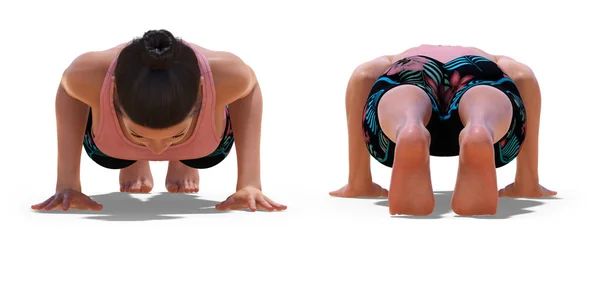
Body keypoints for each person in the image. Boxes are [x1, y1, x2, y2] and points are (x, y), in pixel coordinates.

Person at [31, 29, 287, 212]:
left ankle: (180, 154)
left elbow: (249, 89)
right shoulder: (87, 73)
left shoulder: (227, 73)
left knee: (203, 157)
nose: (157, 150)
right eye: (139, 136)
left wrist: (250, 183)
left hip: (203, 143)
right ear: (114, 96)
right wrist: (67, 184)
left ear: (201, 95)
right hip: (111, 143)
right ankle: (134, 156)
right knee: (111, 156)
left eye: (175, 136)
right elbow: (69, 94)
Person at [329, 44, 557, 216]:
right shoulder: (491, 57)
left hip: (414, 67)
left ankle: (409, 126)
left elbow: (363, 76)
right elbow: (522, 76)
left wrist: (359, 182)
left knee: (407, 96)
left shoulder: (399, 56)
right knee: (483, 98)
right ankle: (480, 128)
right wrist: (527, 182)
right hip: (475, 68)